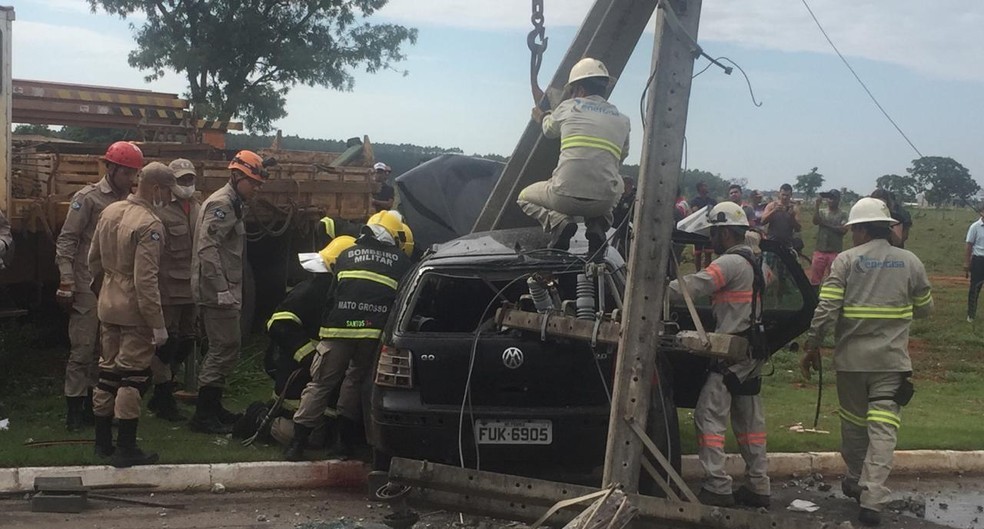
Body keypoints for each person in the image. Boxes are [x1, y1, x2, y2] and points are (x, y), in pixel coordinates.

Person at [801, 197, 933, 527]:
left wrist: (812, 345)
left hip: (851, 364)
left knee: (854, 427)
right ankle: (872, 497)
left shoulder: (845, 261)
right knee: (884, 429)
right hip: (891, 363)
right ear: (886, 228)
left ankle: (857, 480)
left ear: (861, 230)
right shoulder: (910, 261)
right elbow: (926, 308)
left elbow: (826, 310)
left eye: (853, 230)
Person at [285, 211, 412, 461]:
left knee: (320, 384)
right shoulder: (401, 262)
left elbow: (332, 295)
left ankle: (296, 444)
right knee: (354, 381)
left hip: (338, 330)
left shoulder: (346, 254)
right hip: (370, 332)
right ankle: (342, 444)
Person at [668, 202, 771, 508]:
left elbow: (693, 287)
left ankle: (717, 486)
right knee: (750, 423)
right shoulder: (757, 262)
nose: (711, 240)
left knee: (708, 416)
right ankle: (758, 485)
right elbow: (770, 283)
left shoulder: (730, 263)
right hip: (752, 352)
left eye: (713, 233)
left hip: (731, 353)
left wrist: (649, 289)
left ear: (725, 233)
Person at [88, 162, 175, 467]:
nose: (169, 197)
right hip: (135, 310)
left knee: (107, 372)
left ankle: (102, 443)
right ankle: (126, 447)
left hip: (108, 302)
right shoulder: (150, 224)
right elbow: (145, 281)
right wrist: (157, 324)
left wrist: (103, 293)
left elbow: (93, 260)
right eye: (168, 191)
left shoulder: (110, 211)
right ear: (156, 188)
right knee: (132, 377)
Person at [55, 141, 144, 431]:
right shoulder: (88, 198)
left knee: (106, 352)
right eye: (126, 173)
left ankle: (97, 408)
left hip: (114, 286)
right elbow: (67, 240)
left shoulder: (132, 202)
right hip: (86, 284)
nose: (131, 179)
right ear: (111, 168)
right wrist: (67, 281)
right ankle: (73, 409)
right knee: (82, 348)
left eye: (134, 173)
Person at [241, 236, 356, 448]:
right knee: (310, 439)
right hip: (298, 383)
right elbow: (278, 324)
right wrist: (309, 357)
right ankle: (260, 418)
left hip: (325, 385)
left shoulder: (346, 294)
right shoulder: (313, 290)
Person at [518, 57, 631, 257]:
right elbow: (621, 156)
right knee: (619, 182)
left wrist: (541, 116)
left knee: (523, 197)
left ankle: (558, 222)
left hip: (563, 198)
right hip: (602, 203)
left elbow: (549, 130)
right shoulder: (623, 120)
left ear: (578, 89)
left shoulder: (568, 107)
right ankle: (599, 223)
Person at [190, 150, 267, 434]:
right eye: (252, 182)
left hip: (223, 286)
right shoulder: (223, 204)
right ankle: (204, 415)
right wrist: (221, 288)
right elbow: (207, 248)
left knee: (226, 348)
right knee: (224, 348)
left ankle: (213, 408)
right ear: (236, 176)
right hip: (217, 290)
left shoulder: (233, 202)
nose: (256, 188)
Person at [146, 158, 202, 422]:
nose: (187, 184)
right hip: (168, 288)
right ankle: (162, 394)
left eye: (190, 179)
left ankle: (165, 385)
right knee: (166, 344)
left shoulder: (200, 208)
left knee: (188, 341)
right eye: (181, 180)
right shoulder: (161, 213)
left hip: (192, 287)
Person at [810, 189, 848, 287]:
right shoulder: (822, 212)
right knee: (815, 279)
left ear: (838, 200)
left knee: (834, 279)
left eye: (833, 198)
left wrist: (824, 224)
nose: (830, 200)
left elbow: (843, 230)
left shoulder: (843, 214)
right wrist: (817, 206)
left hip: (834, 251)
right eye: (829, 198)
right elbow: (815, 221)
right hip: (820, 250)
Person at [760, 183, 800, 248]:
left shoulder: (794, 208)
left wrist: (792, 216)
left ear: (791, 195)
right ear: (779, 194)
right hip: (772, 241)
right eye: (783, 195)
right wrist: (774, 211)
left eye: (787, 195)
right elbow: (762, 221)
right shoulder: (772, 205)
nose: (785, 197)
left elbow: (798, 229)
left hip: (787, 242)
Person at [690, 182, 717, 271]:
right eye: (704, 186)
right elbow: (695, 212)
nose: (707, 187)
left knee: (708, 253)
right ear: (700, 188)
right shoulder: (695, 201)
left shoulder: (712, 201)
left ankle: (707, 272)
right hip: (698, 229)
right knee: (697, 253)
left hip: (709, 229)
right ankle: (697, 272)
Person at [965, 207, 984, 322]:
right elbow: (969, 245)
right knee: (975, 288)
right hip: (978, 260)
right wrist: (967, 263)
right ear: (981, 212)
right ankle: (971, 315)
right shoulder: (975, 227)